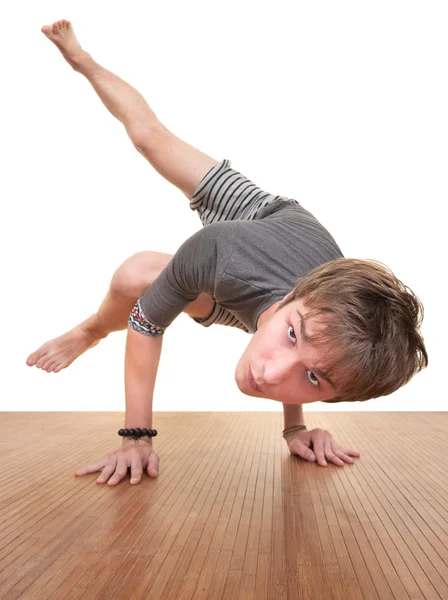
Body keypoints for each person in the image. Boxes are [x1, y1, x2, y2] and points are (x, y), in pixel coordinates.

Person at [26, 20, 428, 486]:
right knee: (136, 255)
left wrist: (296, 428)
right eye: (292, 335)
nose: (269, 373)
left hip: (274, 292)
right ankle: (90, 329)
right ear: (291, 299)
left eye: (316, 380)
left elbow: (301, 342)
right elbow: (147, 323)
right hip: (260, 219)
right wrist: (137, 437)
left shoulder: (309, 323)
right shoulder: (222, 252)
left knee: (296, 345)